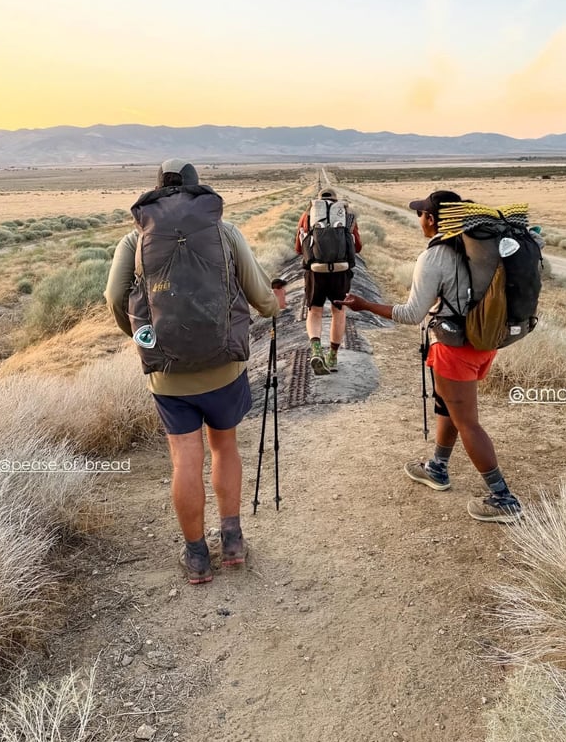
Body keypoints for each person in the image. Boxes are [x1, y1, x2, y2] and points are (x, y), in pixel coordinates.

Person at [104, 158, 287, 584]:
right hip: (224, 367)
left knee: (185, 460)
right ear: (197, 189)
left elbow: (115, 298)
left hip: (168, 373)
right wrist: (274, 308)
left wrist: (142, 337)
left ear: (158, 191)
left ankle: (198, 558)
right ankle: (234, 541)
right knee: (224, 448)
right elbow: (262, 297)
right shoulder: (224, 232)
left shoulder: (134, 242)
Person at [341, 189, 523, 523]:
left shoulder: (435, 257)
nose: (420, 219)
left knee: (466, 420)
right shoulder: (483, 248)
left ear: (433, 219)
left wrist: (365, 305)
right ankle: (437, 468)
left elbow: (411, 314)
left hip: (455, 348)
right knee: (449, 406)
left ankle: (503, 497)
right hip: (485, 341)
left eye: (422, 214)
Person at [295, 187, 362, 375]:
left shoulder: (308, 214)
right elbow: (357, 246)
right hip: (341, 272)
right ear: (336, 200)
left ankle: (316, 350)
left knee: (315, 311)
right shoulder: (346, 215)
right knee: (338, 311)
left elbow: (298, 247)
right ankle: (332, 356)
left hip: (316, 272)